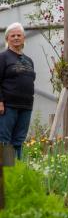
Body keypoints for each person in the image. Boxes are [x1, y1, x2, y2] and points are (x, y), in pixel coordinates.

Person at [0, 22, 35, 159]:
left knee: (19, 140)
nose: (16, 38)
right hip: (8, 106)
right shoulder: (3, 57)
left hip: (26, 106)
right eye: (12, 35)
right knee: (5, 139)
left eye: (18, 35)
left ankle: (17, 170)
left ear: (23, 38)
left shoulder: (29, 61)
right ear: (7, 39)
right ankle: (6, 173)